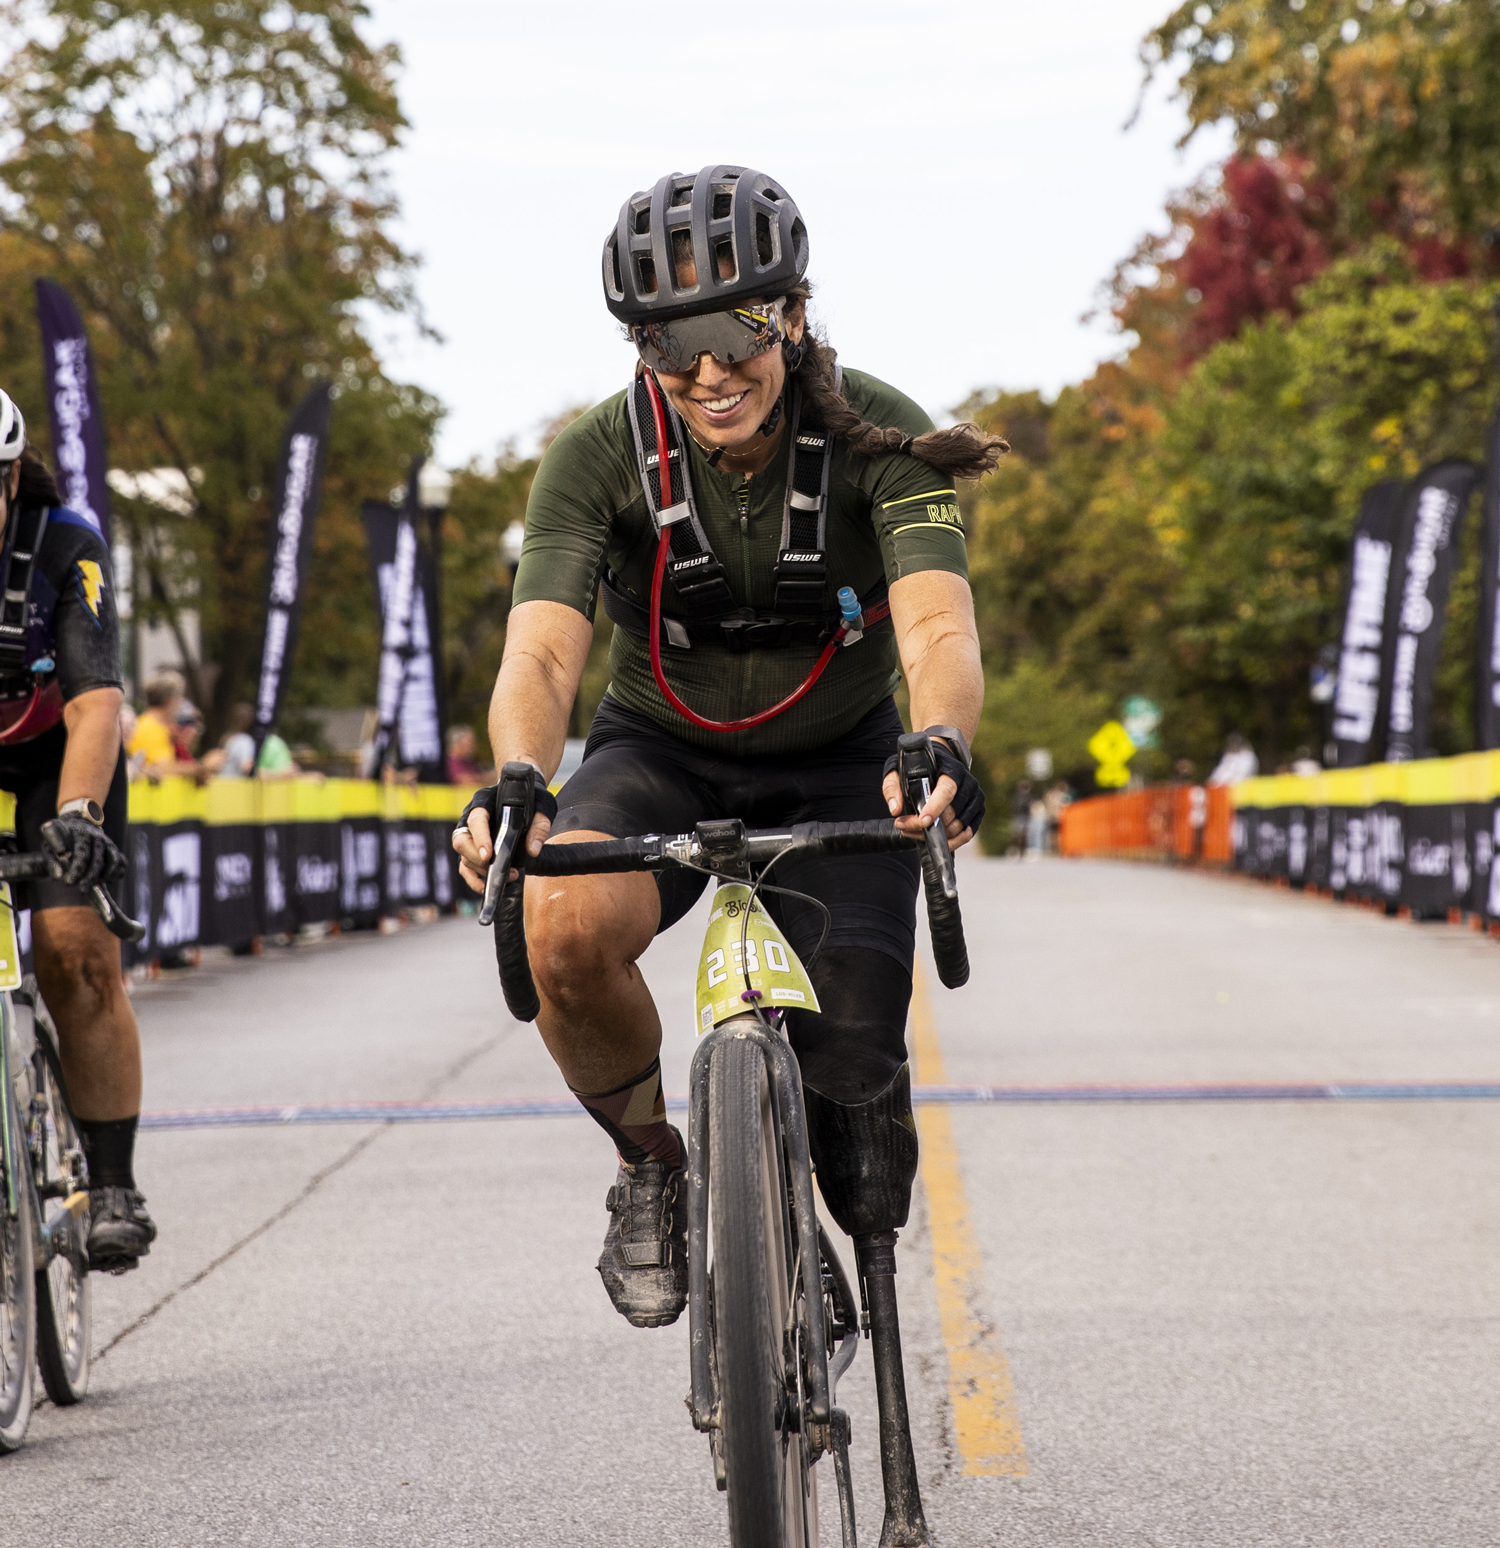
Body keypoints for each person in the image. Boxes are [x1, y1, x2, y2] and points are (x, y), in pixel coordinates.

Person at [454, 165, 1002, 1329]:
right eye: (669, 340)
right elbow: (544, 657)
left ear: (792, 313)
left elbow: (939, 628)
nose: (709, 372)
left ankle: (844, 1187)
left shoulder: (882, 430)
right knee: (558, 929)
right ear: (639, 346)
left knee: (851, 1057)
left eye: (738, 327)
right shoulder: (595, 455)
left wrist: (943, 739)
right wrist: (517, 779)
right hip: (661, 744)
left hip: (841, 753)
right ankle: (655, 1164)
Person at [0, 389, 155, 1270]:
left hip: (57, 765)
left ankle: (113, 1180)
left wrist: (76, 816)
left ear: (11, 476)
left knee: (73, 949)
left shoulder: (63, 542)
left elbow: (98, 703)